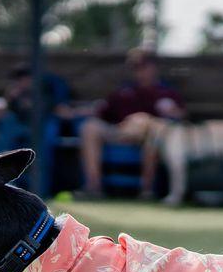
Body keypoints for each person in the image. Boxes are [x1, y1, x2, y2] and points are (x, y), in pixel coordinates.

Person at [77, 48, 183, 199]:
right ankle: (94, 186)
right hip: (120, 130)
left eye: (143, 67)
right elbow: (102, 111)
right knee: (89, 127)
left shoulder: (165, 92)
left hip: (147, 136)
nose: (140, 72)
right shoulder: (125, 90)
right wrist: (76, 111)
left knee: (146, 125)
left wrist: (170, 113)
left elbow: (179, 116)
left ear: (153, 68)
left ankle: (147, 190)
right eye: (135, 68)